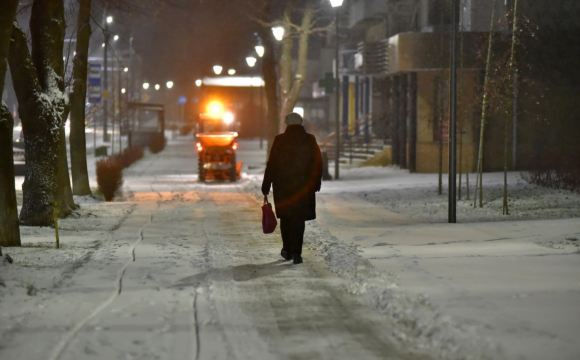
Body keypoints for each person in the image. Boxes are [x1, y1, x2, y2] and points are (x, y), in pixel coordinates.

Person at [262, 113, 322, 264]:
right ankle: (297, 252)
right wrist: (316, 182)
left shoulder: (280, 140)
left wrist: (266, 184)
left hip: (283, 187)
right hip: (303, 186)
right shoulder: (309, 139)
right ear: (301, 122)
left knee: (286, 219)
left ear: (286, 123)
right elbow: (317, 162)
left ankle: (287, 249)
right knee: (299, 220)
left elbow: (272, 164)